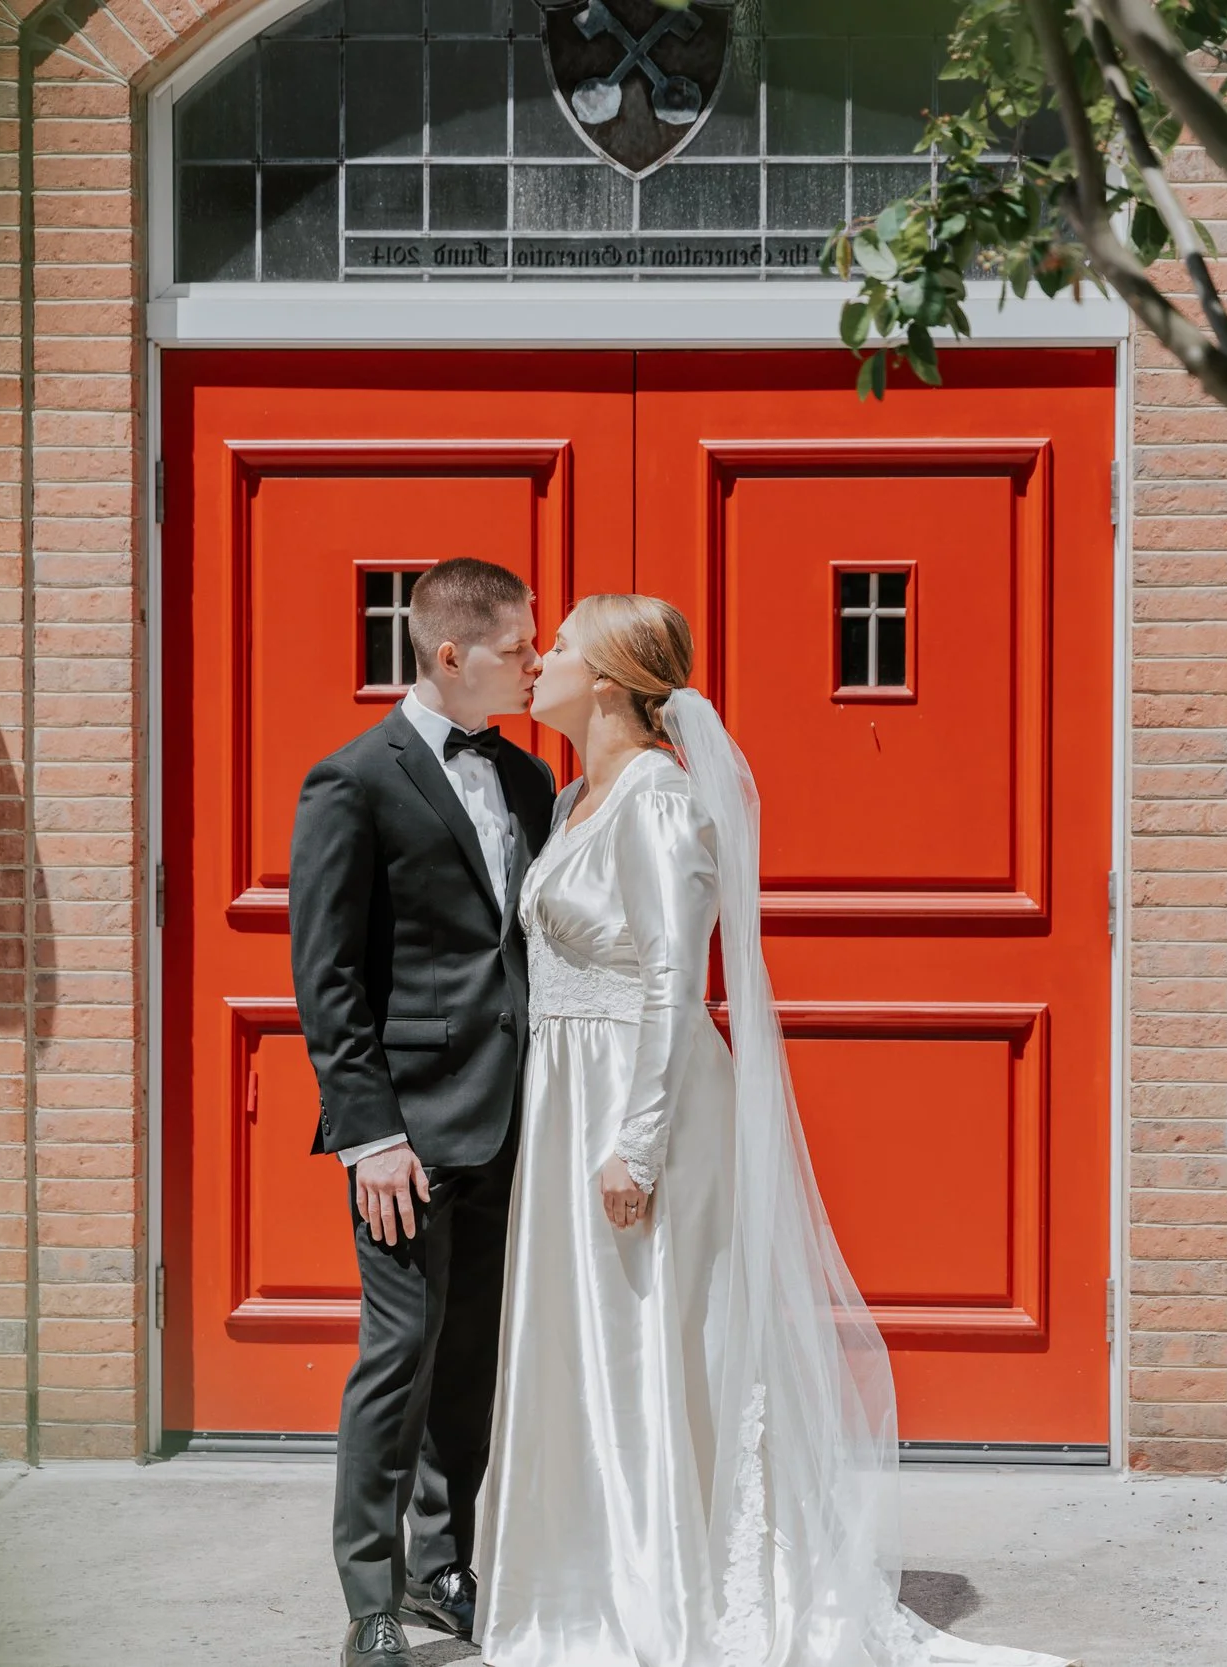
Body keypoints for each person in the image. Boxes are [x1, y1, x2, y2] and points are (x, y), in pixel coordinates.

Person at [475, 594, 1074, 1667]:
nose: (539, 659)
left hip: (637, 1098)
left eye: (557, 644)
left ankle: (673, 1588)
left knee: (656, 1337)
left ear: (607, 679)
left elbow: (671, 974)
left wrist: (639, 1141)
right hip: (568, 1092)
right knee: (592, 1338)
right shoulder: (572, 795)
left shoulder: (658, 801)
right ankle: (589, 1574)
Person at [288, 558, 558, 1667]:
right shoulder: (353, 779)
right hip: (405, 1131)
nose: (537, 665)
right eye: (518, 649)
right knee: (397, 1354)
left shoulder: (533, 779)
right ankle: (372, 1593)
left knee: (473, 1354)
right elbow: (328, 974)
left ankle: (448, 1561)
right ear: (453, 654)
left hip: (515, 1118)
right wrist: (371, 1135)